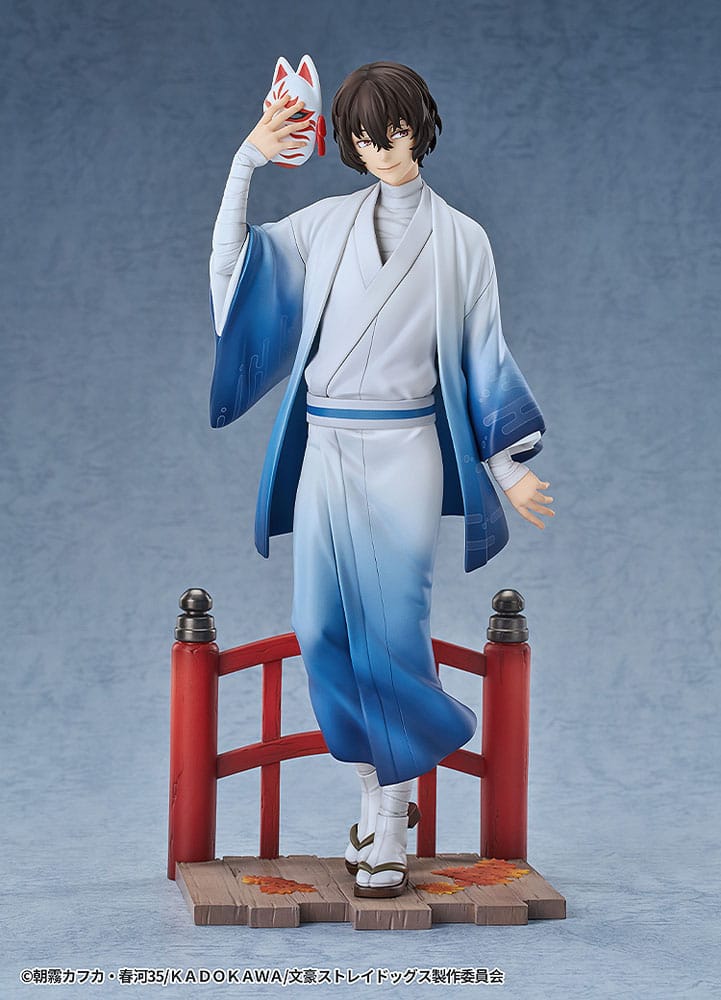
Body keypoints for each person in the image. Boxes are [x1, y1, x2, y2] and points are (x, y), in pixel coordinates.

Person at [208, 61, 554, 898]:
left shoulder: (461, 239)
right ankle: (374, 793)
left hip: (406, 448)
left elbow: (481, 354)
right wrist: (245, 163)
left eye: (394, 130)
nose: (382, 148)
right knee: (319, 627)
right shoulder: (324, 224)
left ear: (420, 127)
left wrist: (506, 467)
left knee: (393, 627)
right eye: (364, 137)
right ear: (349, 144)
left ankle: (392, 818)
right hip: (327, 446)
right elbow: (235, 281)